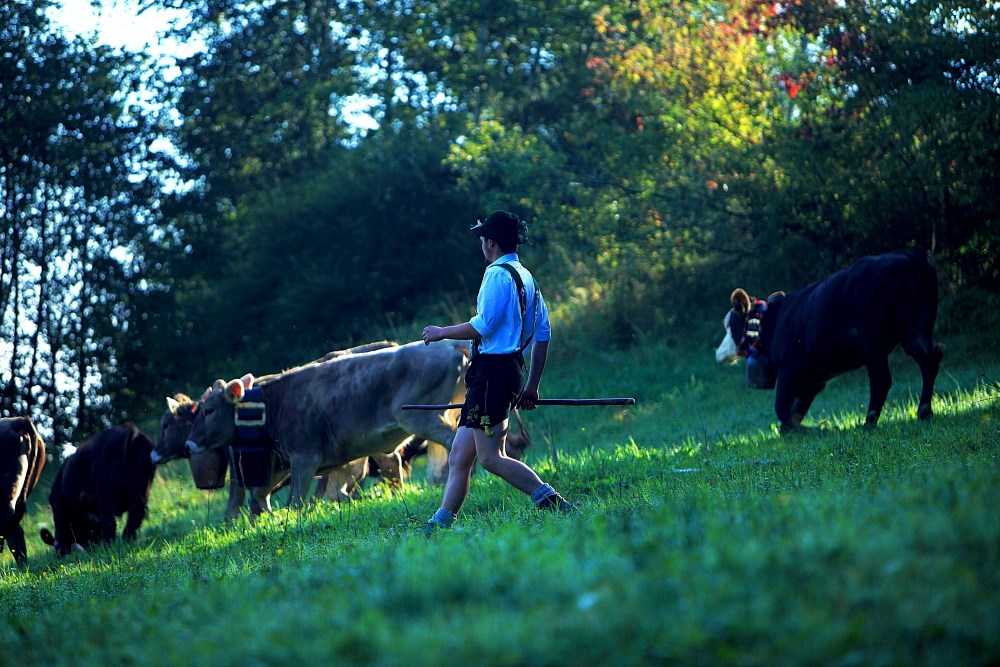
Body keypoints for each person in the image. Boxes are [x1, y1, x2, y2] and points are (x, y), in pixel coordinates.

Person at [421, 210, 574, 531]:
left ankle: (554, 502)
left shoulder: (496, 274)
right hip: (505, 372)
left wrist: (441, 332)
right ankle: (440, 523)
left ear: (489, 242)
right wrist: (531, 386)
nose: (481, 243)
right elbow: (543, 335)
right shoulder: (527, 278)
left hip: (492, 374)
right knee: (460, 455)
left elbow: (484, 325)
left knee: (491, 457)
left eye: (482, 238)